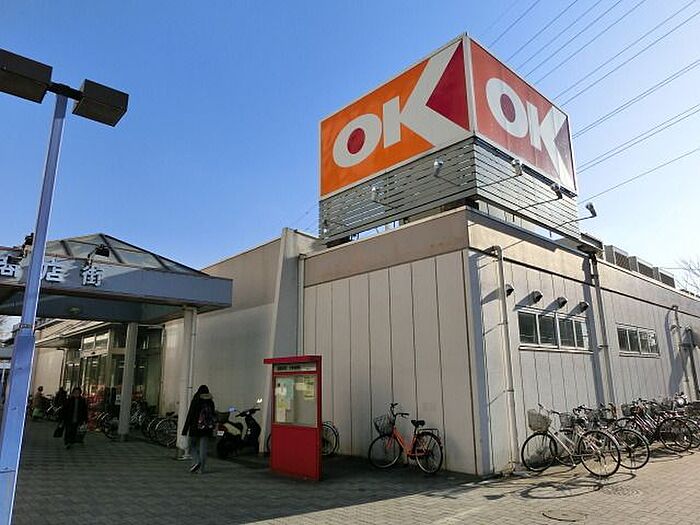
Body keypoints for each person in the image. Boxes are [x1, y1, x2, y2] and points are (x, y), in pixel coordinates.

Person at [182, 385, 216, 474]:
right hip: (207, 429)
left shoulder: (196, 400)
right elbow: (213, 416)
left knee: (191, 445)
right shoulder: (211, 402)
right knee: (203, 449)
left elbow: (190, 415)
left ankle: (197, 461)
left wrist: (185, 429)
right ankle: (201, 469)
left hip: (195, 428)